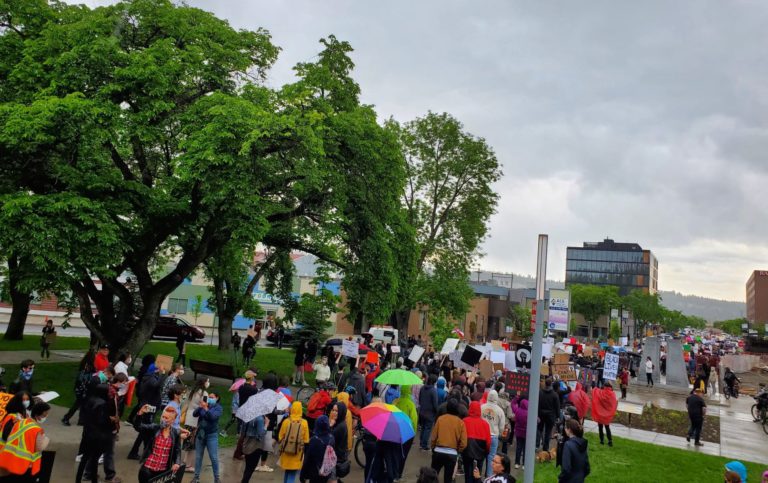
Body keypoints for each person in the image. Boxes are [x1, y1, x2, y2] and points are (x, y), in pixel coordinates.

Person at [133, 404, 189, 483]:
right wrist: (140, 413)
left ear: (173, 420)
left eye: (166, 418)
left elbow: (177, 450)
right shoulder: (154, 428)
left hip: (162, 473)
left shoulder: (175, 433)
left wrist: (177, 463)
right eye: (163, 417)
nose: (163, 419)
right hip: (147, 470)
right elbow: (138, 426)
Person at [0, 401, 50, 481]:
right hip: (26, 466)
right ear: (37, 415)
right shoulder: (37, 430)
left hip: (11, 461)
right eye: (44, 415)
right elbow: (39, 448)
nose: (46, 417)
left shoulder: (21, 422)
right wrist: (47, 439)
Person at [430, 399, 468, 483]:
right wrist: (458, 450)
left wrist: (433, 447)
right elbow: (464, 442)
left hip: (438, 451)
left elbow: (433, 437)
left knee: (432, 477)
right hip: (452, 454)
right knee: (448, 478)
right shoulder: (461, 423)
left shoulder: (440, 419)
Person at [191, 391, 222, 483]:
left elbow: (212, 417)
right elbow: (194, 414)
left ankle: (217, 478)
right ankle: (196, 477)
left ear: (217, 398)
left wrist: (205, 408)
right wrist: (200, 407)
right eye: (209, 397)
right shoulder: (204, 405)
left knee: (213, 457)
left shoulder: (218, 408)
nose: (209, 398)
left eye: (212, 397)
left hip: (211, 436)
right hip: (200, 435)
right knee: (198, 457)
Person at [278, 401, 310, 483]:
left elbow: (280, 437)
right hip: (297, 452)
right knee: (292, 474)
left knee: (287, 472)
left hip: (286, 451)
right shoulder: (304, 423)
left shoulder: (286, 421)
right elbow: (306, 440)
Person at [182, 378, 209, 470]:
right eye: (207, 381)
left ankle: (185, 461)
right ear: (204, 382)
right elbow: (205, 405)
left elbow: (187, 403)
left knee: (187, 440)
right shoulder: (204, 394)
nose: (208, 383)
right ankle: (188, 465)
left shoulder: (193, 391)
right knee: (192, 443)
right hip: (196, 420)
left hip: (188, 418)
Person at [62, 351, 95, 426]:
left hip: (79, 387)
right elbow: (87, 376)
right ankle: (66, 418)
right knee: (78, 404)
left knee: (82, 404)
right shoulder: (89, 366)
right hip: (83, 388)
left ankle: (81, 420)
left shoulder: (84, 363)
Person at [463, 401, 491, 483]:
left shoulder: (464, 421)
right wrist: (487, 452)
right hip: (480, 452)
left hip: (467, 451)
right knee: (478, 472)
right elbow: (488, 442)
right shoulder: (485, 424)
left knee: (467, 472)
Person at [393, 385, 418, 480]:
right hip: (407, 434)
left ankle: (393, 472)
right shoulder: (411, 404)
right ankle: (398, 475)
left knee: (395, 452)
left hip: (395, 431)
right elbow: (414, 420)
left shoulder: (395, 401)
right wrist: (413, 433)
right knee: (403, 454)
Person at [481, 390, 506, 477]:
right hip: (493, 436)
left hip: (482, 435)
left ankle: (477, 475)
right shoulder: (499, 410)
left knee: (480, 456)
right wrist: (499, 433)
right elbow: (502, 426)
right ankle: (489, 476)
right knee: (491, 457)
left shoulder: (482, 407)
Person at [537, 378, 560, 452]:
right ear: (551, 384)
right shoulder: (555, 394)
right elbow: (557, 407)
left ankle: (536, 445)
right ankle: (545, 448)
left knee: (539, 430)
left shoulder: (540, 392)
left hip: (541, 414)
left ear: (545, 384)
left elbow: (538, 403)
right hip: (550, 416)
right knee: (548, 432)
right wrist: (558, 416)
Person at [328, 403, 349, 482]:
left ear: (341, 412)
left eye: (337, 411)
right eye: (333, 410)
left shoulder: (340, 426)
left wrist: (330, 425)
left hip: (335, 460)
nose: (334, 412)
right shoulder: (338, 423)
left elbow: (329, 439)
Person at [419, 374, 439, 451]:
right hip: (430, 413)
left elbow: (420, 399)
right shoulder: (433, 391)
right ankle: (424, 445)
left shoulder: (423, 388)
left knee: (423, 427)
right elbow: (435, 404)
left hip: (422, 411)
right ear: (434, 382)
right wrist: (436, 412)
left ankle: (421, 443)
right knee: (427, 429)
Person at [510, 394, 529, 470]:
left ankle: (517, 463)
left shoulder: (517, 410)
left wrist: (516, 397)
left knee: (518, 447)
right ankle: (524, 464)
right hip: (526, 433)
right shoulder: (529, 412)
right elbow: (537, 420)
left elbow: (512, 404)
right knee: (525, 448)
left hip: (518, 432)